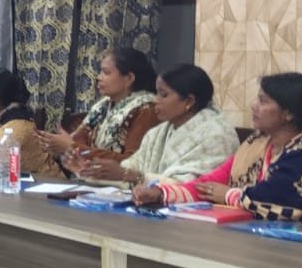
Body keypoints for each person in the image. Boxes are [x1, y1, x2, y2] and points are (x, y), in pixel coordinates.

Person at [134, 72, 302, 220]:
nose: (254, 105)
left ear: (289, 113)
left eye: (263, 101)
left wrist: (228, 194)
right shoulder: (256, 142)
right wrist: (161, 193)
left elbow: (277, 198)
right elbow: (211, 183)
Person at [74, 64, 238, 186]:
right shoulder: (158, 133)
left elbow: (193, 187)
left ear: (189, 101)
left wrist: (130, 175)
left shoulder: (218, 135)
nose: (155, 100)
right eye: (157, 93)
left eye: (163, 95)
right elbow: (130, 171)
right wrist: (87, 171)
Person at [39, 46, 160, 168]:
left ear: (129, 78)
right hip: (87, 176)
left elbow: (132, 162)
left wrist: (71, 147)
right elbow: (78, 141)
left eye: (106, 72)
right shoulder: (102, 107)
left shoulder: (146, 110)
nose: (99, 77)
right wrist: (56, 144)